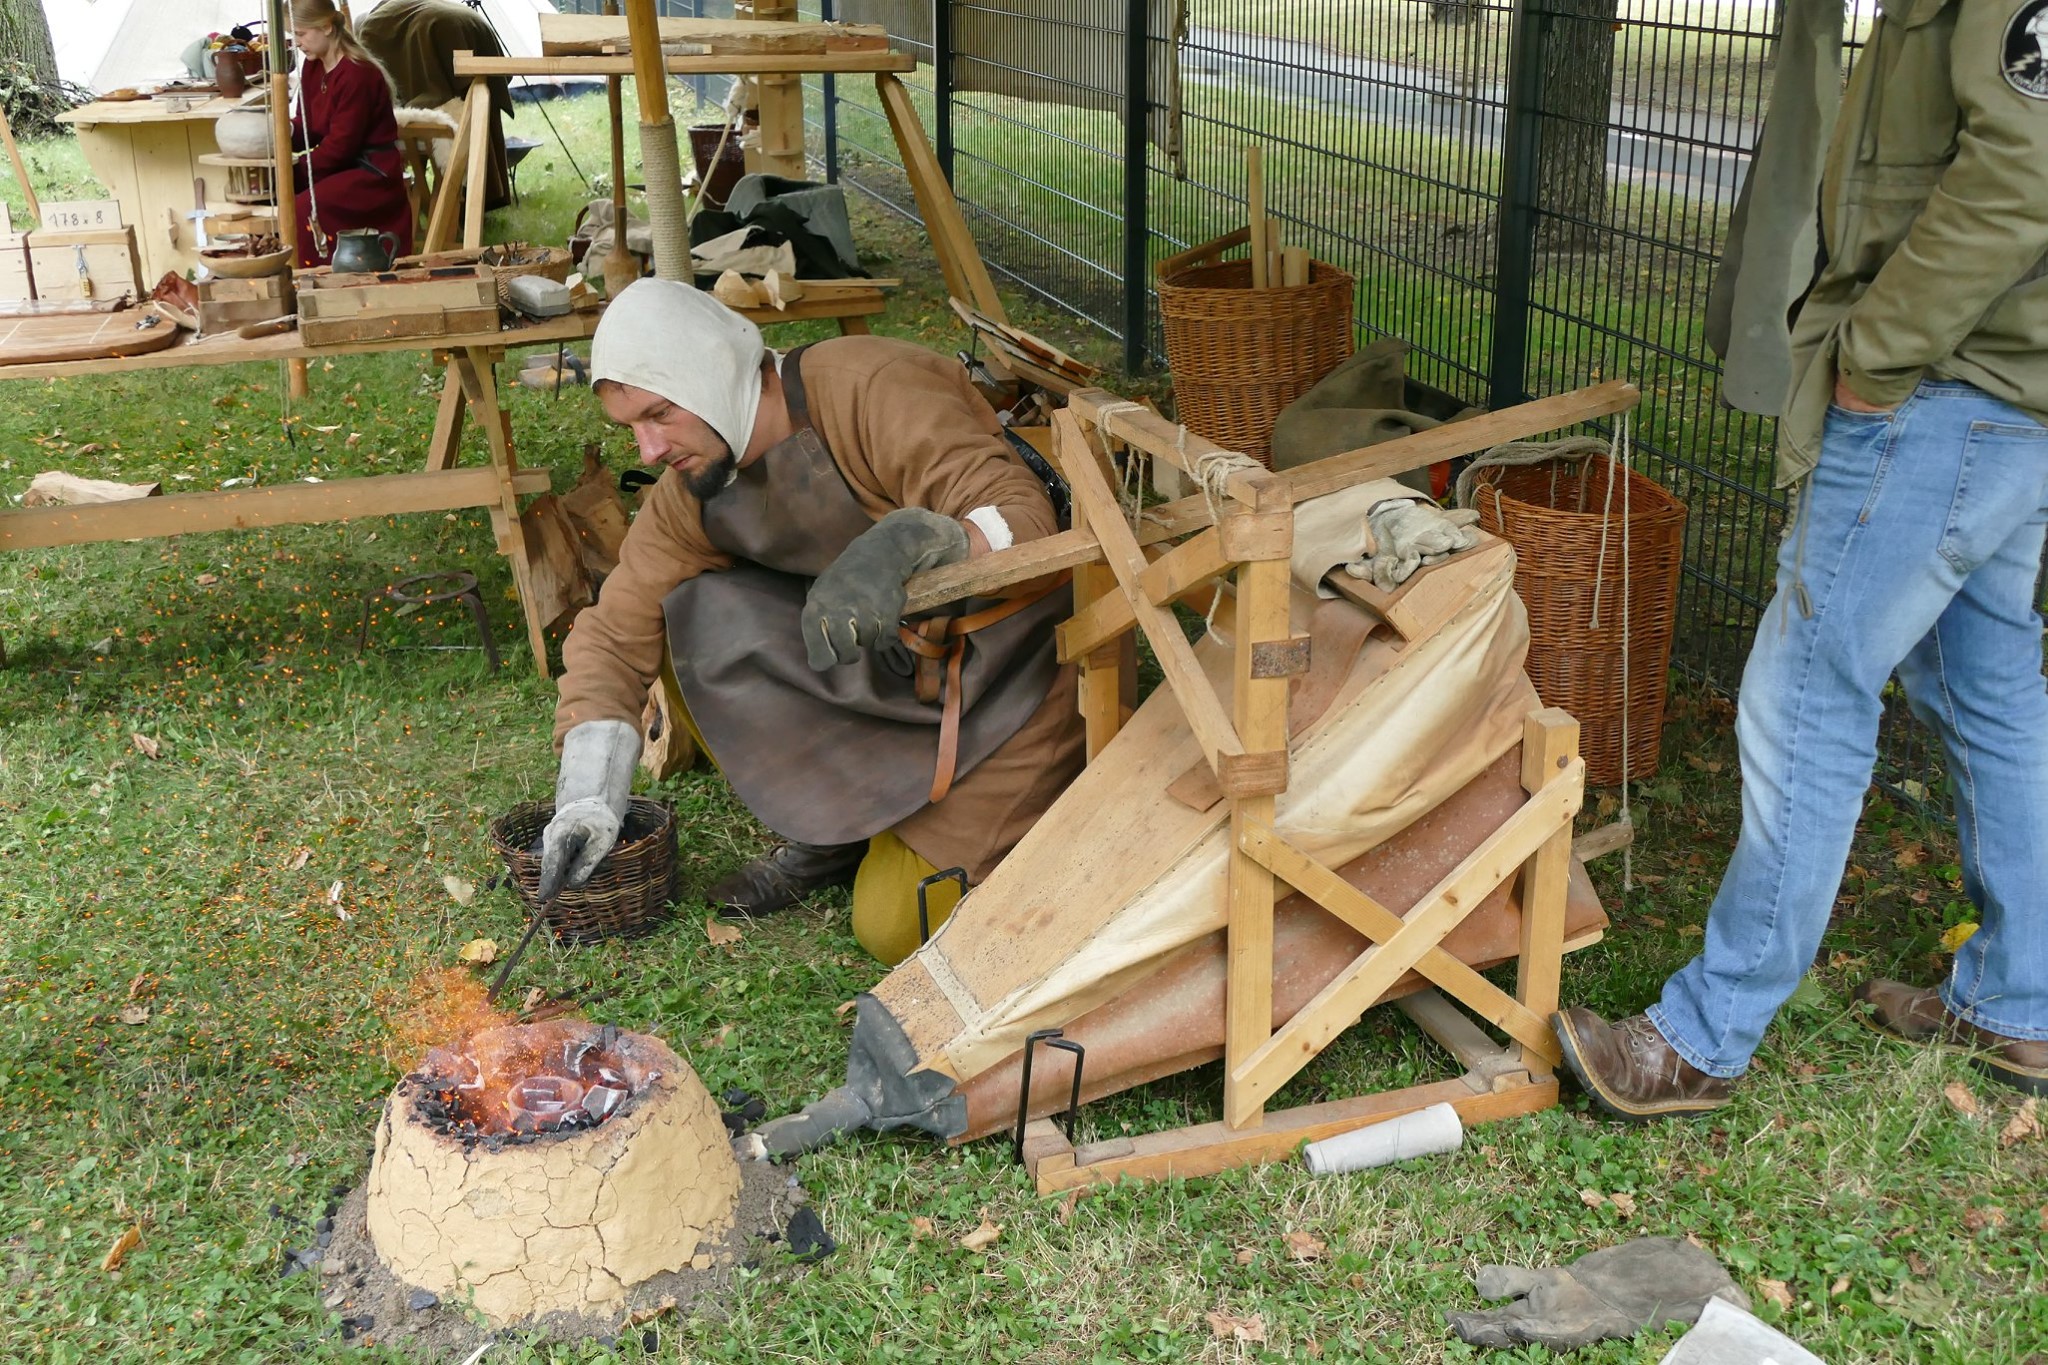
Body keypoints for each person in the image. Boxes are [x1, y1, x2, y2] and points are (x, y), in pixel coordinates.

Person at [1554, 0, 2048, 1114]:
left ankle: (1703, 1036)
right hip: (2001, 394)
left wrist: (1877, 353)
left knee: (1807, 694)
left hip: (1942, 394)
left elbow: (2023, 172)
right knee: (1985, 690)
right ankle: (2019, 1003)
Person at [539, 281, 1084, 966]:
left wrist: (912, 541)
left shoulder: (869, 387)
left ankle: (896, 821)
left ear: (713, 372)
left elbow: (1024, 520)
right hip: (885, 672)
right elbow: (616, 632)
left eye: (660, 414)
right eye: (632, 428)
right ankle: (838, 831)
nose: (647, 450)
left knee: (894, 924)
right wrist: (587, 797)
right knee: (683, 617)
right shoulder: (692, 487)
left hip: (1008, 679)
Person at [288, 0, 414, 268]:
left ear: (326, 27)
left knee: (303, 206)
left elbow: (341, 147)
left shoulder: (358, 73)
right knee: (276, 193)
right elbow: (308, 126)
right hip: (341, 166)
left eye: (301, 33)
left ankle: (315, 275)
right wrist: (283, 131)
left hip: (371, 173)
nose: (297, 42)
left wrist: (296, 171)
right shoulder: (313, 66)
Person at [357, 0, 515, 211]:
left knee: (468, 105)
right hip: (471, 23)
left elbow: (382, 90)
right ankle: (473, 200)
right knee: (478, 104)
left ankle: (465, 201)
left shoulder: (373, 30)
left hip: (444, 28)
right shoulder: (389, 17)